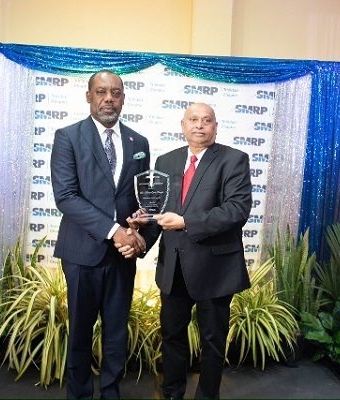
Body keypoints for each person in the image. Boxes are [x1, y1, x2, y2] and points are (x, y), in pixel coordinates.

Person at [120, 102, 253, 399]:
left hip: (214, 270)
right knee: (171, 337)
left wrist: (186, 221)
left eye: (207, 121)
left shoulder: (234, 160)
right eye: (193, 119)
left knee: (213, 341)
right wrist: (142, 229)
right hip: (174, 268)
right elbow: (160, 214)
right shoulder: (167, 161)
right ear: (183, 125)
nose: (199, 125)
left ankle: (207, 396)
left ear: (215, 127)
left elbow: (236, 210)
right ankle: (171, 393)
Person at [50, 70, 149, 400]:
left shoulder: (139, 142)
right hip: (82, 253)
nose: (109, 98)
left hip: (122, 258)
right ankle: (79, 395)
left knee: (116, 333)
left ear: (123, 98)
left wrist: (136, 228)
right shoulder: (68, 137)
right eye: (102, 91)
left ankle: (111, 393)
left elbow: (140, 198)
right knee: (79, 331)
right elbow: (66, 196)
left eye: (116, 93)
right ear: (89, 96)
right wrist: (115, 231)